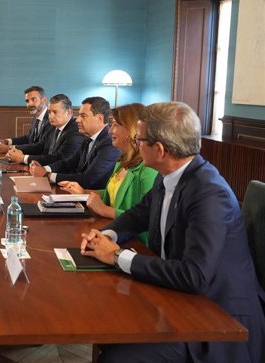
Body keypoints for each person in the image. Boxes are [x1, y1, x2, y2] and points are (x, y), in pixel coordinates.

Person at [80, 102, 265, 363]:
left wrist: (117, 256)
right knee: (109, 326)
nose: (136, 143)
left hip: (216, 321)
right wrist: (106, 236)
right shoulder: (168, 175)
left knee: (118, 356)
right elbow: (137, 214)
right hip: (180, 301)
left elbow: (194, 275)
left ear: (160, 149)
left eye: (139, 139)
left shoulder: (209, 193)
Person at [58, 103, 157, 244]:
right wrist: (84, 191)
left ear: (131, 129)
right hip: (114, 231)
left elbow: (147, 217)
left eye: (115, 125)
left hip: (136, 242)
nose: (110, 131)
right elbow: (111, 194)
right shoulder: (122, 161)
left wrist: (105, 210)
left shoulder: (148, 169)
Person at [30, 96, 120, 189]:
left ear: (99, 118)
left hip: (91, 197)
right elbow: (68, 163)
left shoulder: (109, 143)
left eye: (83, 116)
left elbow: (88, 179)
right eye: (79, 115)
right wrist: (44, 169)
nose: (77, 120)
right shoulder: (88, 138)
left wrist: (48, 175)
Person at [6, 93, 85, 165]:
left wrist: (23, 158)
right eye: (49, 112)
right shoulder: (51, 126)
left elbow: (59, 159)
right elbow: (39, 147)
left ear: (68, 112)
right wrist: (14, 150)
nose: (50, 116)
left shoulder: (76, 132)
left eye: (55, 112)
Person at [0, 86, 52, 154]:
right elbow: (29, 138)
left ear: (44, 100)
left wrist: (9, 148)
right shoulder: (36, 118)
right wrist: (7, 141)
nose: (30, 104)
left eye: (33, 99)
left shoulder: (51, 119)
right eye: (27, 101)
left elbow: (39, 147)